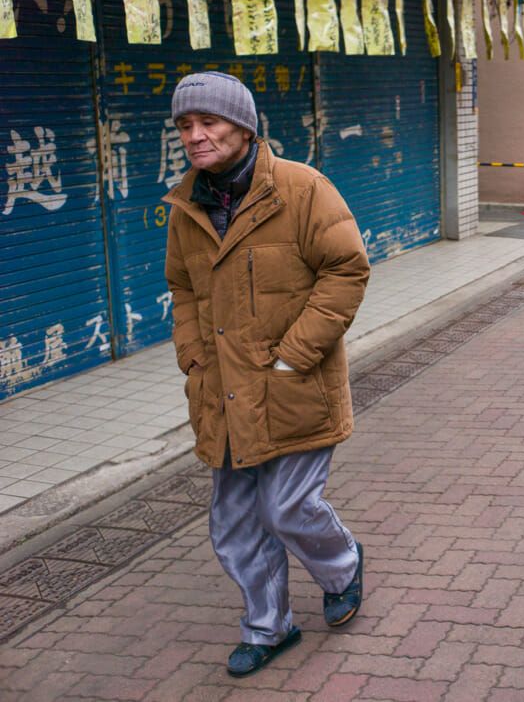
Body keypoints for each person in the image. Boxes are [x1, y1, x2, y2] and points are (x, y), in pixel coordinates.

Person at [163, 72, 370, 678]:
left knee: (285, 508)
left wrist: (294, 355)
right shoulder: (188, 205)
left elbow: (347, 270)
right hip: (223, 391)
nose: (195, 137)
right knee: (233, 523)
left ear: (244, 126)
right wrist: (194, 357)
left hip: (293, 386)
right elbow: (182, 288)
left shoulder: (302, 189)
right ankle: (268, 626)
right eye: (184, 126)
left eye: (209, 122)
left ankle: (342, 567)